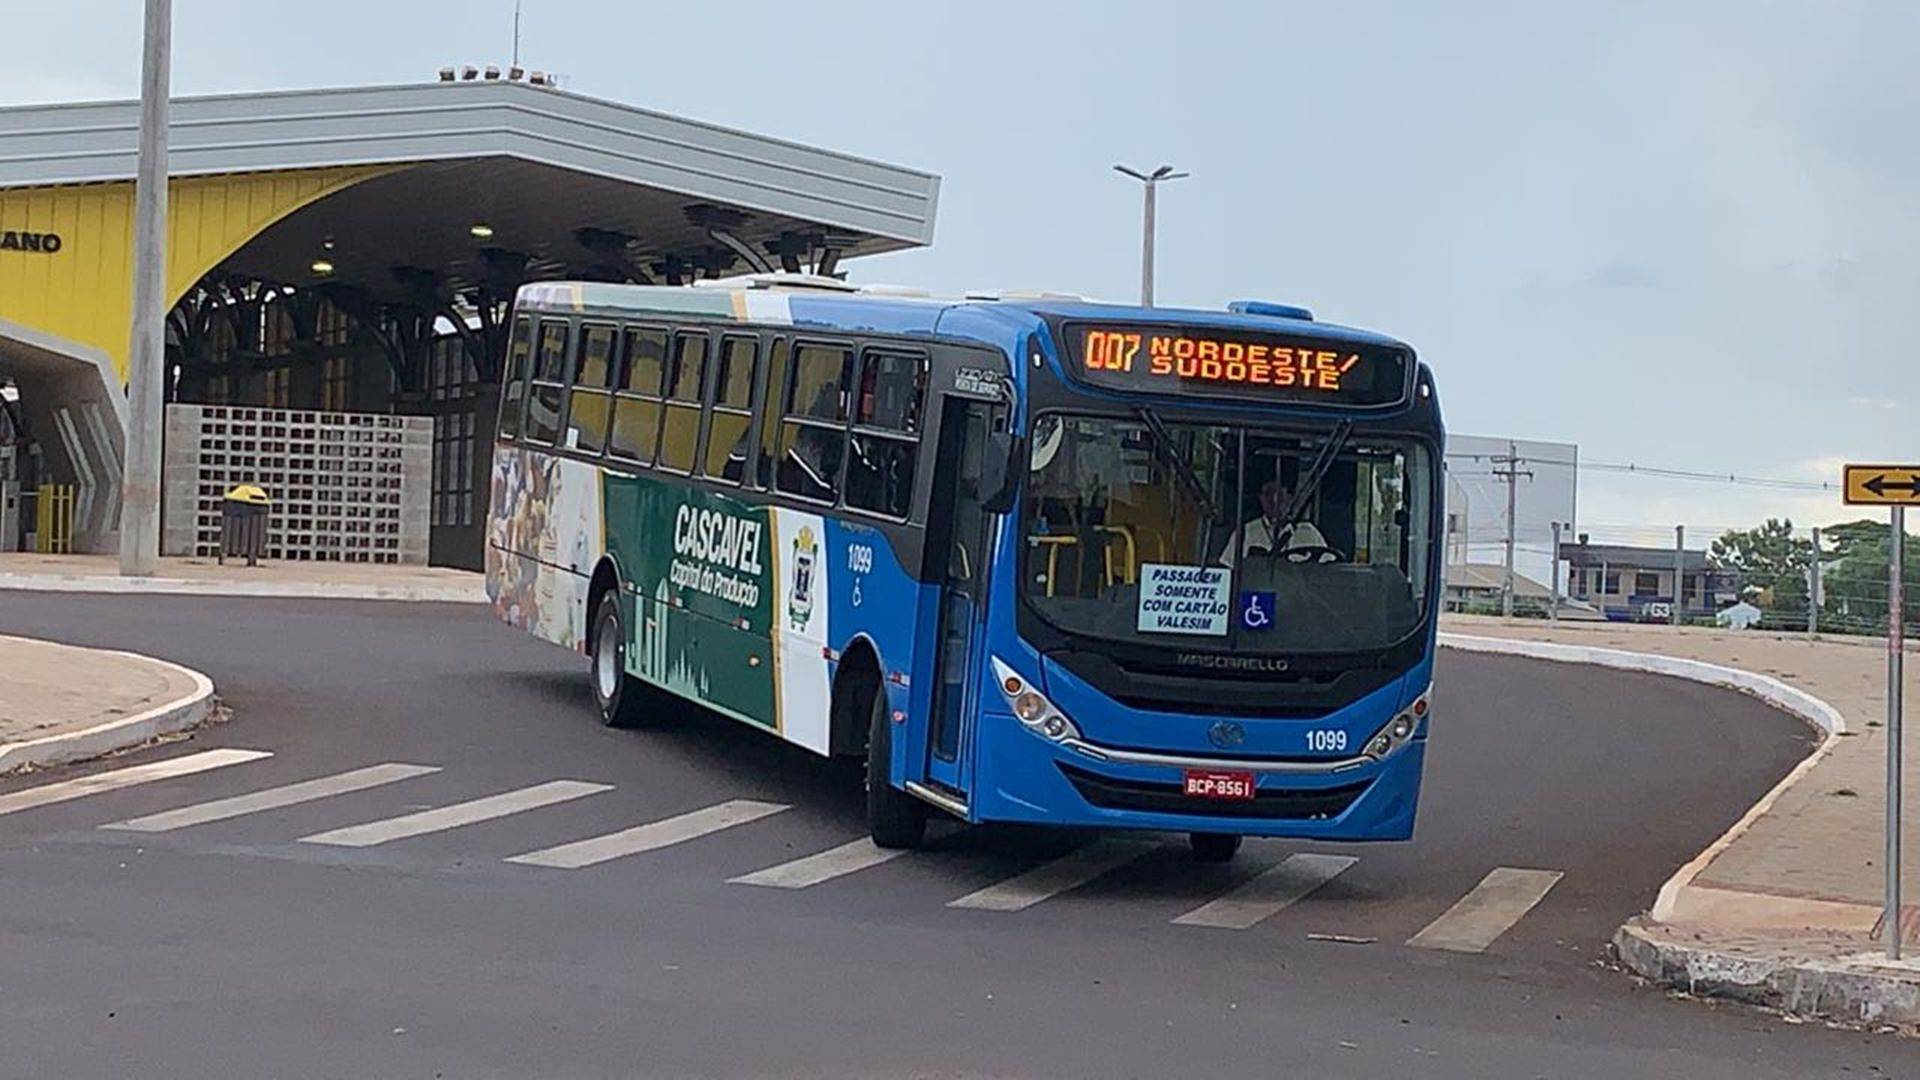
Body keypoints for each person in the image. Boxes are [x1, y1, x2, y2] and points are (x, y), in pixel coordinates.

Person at [1217, 478, 1331, 567]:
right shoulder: (1245, 532)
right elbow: (1228, 569)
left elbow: (1329, 569)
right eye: (1268, 494)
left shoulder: (1309, 533)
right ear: (1260, 498)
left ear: (1290, 498)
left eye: (1280, 494)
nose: (1274, 500)